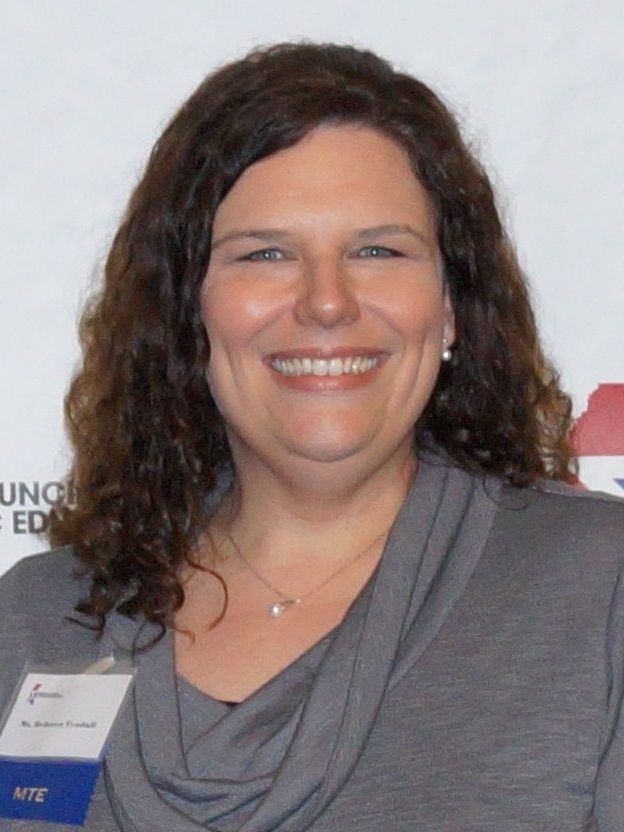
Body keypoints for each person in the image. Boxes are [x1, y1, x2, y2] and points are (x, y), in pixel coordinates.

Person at [0, 41, 622, 832]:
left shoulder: (601, 592)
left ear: (452, 307)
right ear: (189, 313)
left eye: (377, 251)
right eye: (266, 253)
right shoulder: (35, 619)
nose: (326, 302)